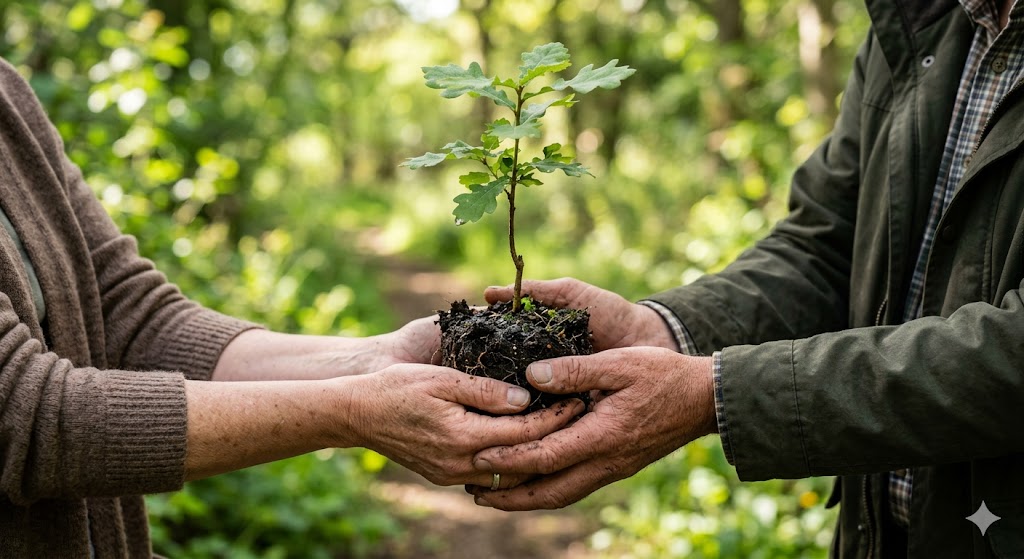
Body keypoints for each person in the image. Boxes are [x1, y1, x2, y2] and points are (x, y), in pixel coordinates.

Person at [466, 0, 1024, 557]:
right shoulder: (920, 21)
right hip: (877, 534)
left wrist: (718, 394)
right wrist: (663, 327)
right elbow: (826, 247)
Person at [0, 57, 585, 557]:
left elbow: (128, 313)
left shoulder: (9, 95)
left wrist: (376, 358)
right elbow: (17, 411)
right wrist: (353, 411)